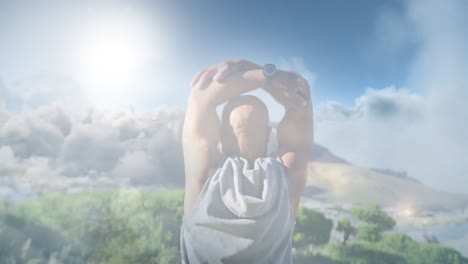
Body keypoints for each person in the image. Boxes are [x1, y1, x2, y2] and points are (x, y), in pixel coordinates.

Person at [180, 59, 313, 264]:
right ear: (269, 134)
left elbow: (200, 97)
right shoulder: (289, 178)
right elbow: (300, 95)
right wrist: (264, 73)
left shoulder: (203, 175)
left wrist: (258, 75)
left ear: (220, 135)